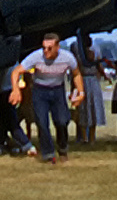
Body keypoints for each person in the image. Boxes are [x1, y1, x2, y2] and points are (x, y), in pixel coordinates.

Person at [9, 33, 86, 165]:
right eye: (44, 47)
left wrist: (81, 92)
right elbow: (16, 71)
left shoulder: (68, 58)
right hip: (40, 90)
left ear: (57, 47)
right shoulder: (36, 56)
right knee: (42, 122)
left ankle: (62, 149)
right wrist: (16, 89)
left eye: (49, 48)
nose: (46, 51)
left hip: (58, 90)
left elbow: (77, 74)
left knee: (62, 121)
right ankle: (48, 154)